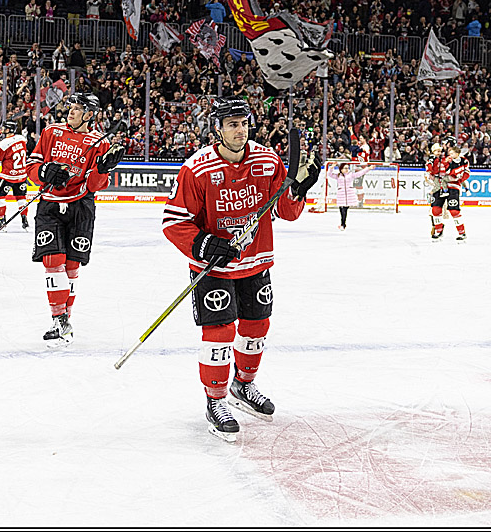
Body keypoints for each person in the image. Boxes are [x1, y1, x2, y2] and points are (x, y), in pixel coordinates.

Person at [161, 97, 321, 441]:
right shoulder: (197, 169)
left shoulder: (267, 160)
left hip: (257, 262)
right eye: (232, 124)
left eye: (244, 123)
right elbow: (174, 222)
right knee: (219, 333)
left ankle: (243, 386)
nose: (240, 130)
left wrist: (298, 191)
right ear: (216, 129)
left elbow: (284, 211)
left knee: (256, 327)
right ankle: (215, 400)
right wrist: (203, 244)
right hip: (215, 269)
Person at [26, 93, 124, 349]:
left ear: (89, 115)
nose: (71, 111)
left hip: (80, 205)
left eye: (78, 108)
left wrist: (102, 170)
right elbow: (32, 169)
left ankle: (63, 319)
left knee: (71, 265)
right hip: (50, 203)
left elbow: (94, 185)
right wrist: (44, 172)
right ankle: (59, 319)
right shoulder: (51, 132)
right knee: (52, 260)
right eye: (71, 106)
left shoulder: (98, 143)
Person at [0, 120, 30, 230]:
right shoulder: (22, 139)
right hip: (21, 174)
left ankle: (2, 220)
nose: (2, 130)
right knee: (21, 197)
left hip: (8, 176)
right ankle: (24, 219)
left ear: (8, 130)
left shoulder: (2, 144)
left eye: (4, 128)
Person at [428, 135, 470, 241]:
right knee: (435, 209)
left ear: (449, 145)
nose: (442, 146)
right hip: (440, 186)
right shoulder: (439, 157)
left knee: (454, 211)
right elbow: (432, 169)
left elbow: (466, 172)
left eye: (444, 144)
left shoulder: (461, 160)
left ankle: (462, 232)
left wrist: (458, 180)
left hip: (453, 187)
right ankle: (438, 230)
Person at [327, 160, 371, 230]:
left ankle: (343, 224)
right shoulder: (338, 175)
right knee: (341, 209)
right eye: (345, 168)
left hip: (349, 194)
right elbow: (329, 174)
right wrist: (332, 167)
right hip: (341, 194)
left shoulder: (351, 174)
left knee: (345, 209)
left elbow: (360, 173)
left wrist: (368, 168)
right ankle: (343, 224)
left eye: (348, 168)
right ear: (341, 169)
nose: (347, 169)